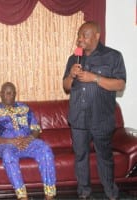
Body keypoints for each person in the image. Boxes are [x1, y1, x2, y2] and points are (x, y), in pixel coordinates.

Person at [63, 21, 126, 200]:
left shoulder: (113, 57)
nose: (79, 39)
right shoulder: (73, 58)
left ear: (97, 36)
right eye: (79, 35)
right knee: (80, 157)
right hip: (78, 118)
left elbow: (120, 84)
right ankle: (84, 193)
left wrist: (95, 78)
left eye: (84, 35)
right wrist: (71, 75)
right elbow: (66, 87)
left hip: (102, 118)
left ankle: (111, 193)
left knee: (104, 157)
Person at [0, 82, 56, 200]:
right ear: (1, 94)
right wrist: (12, 141)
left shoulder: (25, 108)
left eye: (13, 93)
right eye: (8, 93)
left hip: (28, 142)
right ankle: (22, 196)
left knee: (45, 149)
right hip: (7, 144)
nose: (11, 96)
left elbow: (36, 129)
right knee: (8, 155)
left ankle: (50, 194)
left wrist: (28, 138)